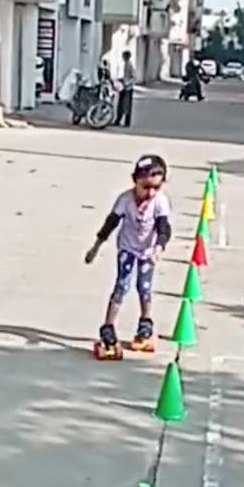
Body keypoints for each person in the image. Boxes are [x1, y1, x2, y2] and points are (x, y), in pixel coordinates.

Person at [84, 155, 173, 356]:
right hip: (127, 247)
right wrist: (96, 247)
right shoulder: (125, 200)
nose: (150, 193)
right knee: (122, 285)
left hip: (148, 250)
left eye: (156, 188)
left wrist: (159, 248)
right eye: (145, 187)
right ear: (135, 181)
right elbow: (111, 223)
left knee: (145, 287)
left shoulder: (160, 202)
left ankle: (145, 323)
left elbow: (164, 228)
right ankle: (108, 326)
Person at [115, 51, 137, 127]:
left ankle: (127, 122)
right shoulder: (121, 64)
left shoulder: (130, 65)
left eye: (125, 56)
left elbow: (134, 77)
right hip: (121, 87)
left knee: (127, 105)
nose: (124, 57)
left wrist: (127, 83)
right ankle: (118, 120)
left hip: (128, 87)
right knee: (120, 105)